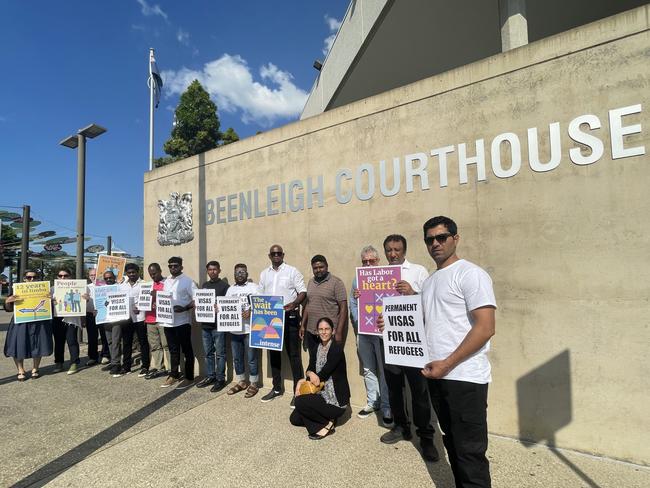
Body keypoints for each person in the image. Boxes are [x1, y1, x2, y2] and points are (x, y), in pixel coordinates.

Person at [421, 216, 496, 487]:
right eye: (430, 239)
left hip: (465, 378)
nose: (436, 243)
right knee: (452, 445)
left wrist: (448, 363)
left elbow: (486, 327)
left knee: (470, 454)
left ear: (456, 238)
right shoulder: (429, 283)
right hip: (437, 377)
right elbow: (425, 326)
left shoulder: (470, 274)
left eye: (442, 237)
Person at [379, 234, 439, 462]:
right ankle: (401, 427)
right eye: (389, 250)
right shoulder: (380, 275)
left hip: (413, 342)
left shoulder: (418, 271)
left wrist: (413, 293)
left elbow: (431, 302)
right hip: (390, 341)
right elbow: (374, 306)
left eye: (397, 249)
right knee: (394, 389)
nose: (393, 254)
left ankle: (426, 438)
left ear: (404, 250)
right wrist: (362, 296)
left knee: (419, 392)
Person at [349, 245, 393, 425]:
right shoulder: (357, 280)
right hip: (364, 332)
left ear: (378, 261)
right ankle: (372, 402)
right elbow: (352, 302)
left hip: (382, 334)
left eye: (371, 261)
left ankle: (387, 407)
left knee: (384, 370)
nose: (367, 264)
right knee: (368, 368)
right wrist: (359, 321)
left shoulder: (389, 277)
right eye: (364, 261)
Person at [258, 244, 306, 406]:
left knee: (294, 356)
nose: (276, 255)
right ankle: (277, 388)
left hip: (290, 318)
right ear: (269, 256)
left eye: (279, 253)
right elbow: (260, 295)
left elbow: (303, 292)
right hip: (270, 320)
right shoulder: (264, 274)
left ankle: (298, 392)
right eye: (273, 253)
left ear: (283, 255)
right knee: (274, 355)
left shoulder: (292, 271)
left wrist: (294, 304)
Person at [290, 317, 350, 440]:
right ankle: (326, 418)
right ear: (317, 332)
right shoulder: (316, 347)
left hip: (335, 402)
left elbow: (320, 377)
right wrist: (305, 377)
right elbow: (309, 369)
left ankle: (326, 425)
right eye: (321, 329)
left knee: (300, 401)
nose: (323, 332)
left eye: (327, 329)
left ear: (333, 331)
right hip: (320, 395)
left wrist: (305, 378)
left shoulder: (336, 349)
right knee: (294, 419)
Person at [3, 269, 53, 381]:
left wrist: (51, 300)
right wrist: (8, 301)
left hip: (39, 321)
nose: (32, 279)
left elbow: (50, 308)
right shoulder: (17, 290)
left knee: (38, 344)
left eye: (34, 277)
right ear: (24, 279)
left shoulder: (44, 291)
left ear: (38, 279)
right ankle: (20, 370)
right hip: (20, 322)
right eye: (29, 277)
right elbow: (9, 309)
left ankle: (36, 368)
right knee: (18, 345)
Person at [300, 255, 348, 362]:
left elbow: (344, 308)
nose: (318, 270)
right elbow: (308, 304)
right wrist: (303, 325)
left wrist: (339, 331)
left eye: (321, 267)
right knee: (314, 361)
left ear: (327, 266)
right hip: (312, 332)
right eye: (315, 268)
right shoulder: (311, 282)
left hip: (328, 333)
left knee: (329, 363)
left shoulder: (336, 283)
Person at [224, 263, 260, 398]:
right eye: (237, 272)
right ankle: (241, 382)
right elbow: (224, 307)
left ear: (247, 273)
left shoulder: (254, 287)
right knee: (237, 359)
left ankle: (254, 383)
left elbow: (263, 305)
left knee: (252, 358)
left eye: (243, 272)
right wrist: (219, 309)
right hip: (234, 331)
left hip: (250, 330)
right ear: (234, 274)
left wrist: (251, 310)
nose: (240, 274)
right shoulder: (230, 290)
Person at [161, 256, 197, 389]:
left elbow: (196, 299)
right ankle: (174, 375)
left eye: (175, 266)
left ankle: (189, 378)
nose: (173, 268)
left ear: (181, 267)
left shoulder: (188, 281)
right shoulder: (166, 281)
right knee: (173, 350)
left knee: (187, 350)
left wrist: (184, 308)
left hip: (183, 322)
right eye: (170, 266)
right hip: (168, 322)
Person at [196, 261, 230, 392]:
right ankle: (211, 376)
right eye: (210, 270)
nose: (212, 272)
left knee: (220, 354)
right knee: (208, 353)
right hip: (205, 325)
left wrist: (220, 307)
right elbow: (201, 301)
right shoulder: (204, 286)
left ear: (219, 270)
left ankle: (220, 379)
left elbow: (228, 305)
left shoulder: (225, 286)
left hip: (218, 326)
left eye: (215, 269)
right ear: (207, 271)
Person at [99, 270, 134, 378]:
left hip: (117, 319)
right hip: (106, 319)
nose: (108, 280)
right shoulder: (101, 290)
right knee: (109, 341)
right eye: (106, 278)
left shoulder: (120, 287)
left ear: (114, 278)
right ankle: (113, 361)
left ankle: (116, 364)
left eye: (110, 278)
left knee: (116, 341)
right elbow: (99, 302)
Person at [123, 263, 151, 377]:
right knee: (126, 343)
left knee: (143, 342)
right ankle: (126, 367)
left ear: (137, 272)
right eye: (129, 273)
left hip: (140, 317)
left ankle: (145, 366)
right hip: (126, 318)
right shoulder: (122, 285)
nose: (131, 274)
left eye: (133, 272)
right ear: (126, 273)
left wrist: (140, 307)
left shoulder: (144, 284)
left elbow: (147, 299)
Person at [142, 263, 169, 379]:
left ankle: (171, 369)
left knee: (166, 345)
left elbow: (170, 297)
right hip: (150, 319)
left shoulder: (167, 283)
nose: (153, 276)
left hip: (163, 319)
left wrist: (157, 294)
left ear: (160, 271)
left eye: (155, 273)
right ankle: (159, 368)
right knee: (154, 346)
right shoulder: (147, 285)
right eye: (151, 274)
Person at [52, 268, 82, 375]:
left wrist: (85, 299)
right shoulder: (52, 289)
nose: (63, 278)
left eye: (65, 275)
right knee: (59, 342)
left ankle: (74, 362)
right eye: (60, 276)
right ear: (57, 277)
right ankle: (59, 362)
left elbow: (83, 304)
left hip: (71, 319)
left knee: (72, 340)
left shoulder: (78, 288)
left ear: (70, 277)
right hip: (57, 318)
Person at [85, 268, 110, 366]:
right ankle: (93, 357)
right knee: (92, 337)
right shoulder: (86, 287)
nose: (93, 277)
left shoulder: (105, 286)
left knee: (104, 336)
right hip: (90, 314)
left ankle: (105, 355)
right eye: (91, 275)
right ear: (89, 276)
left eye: (95, 275)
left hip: (103, 314)